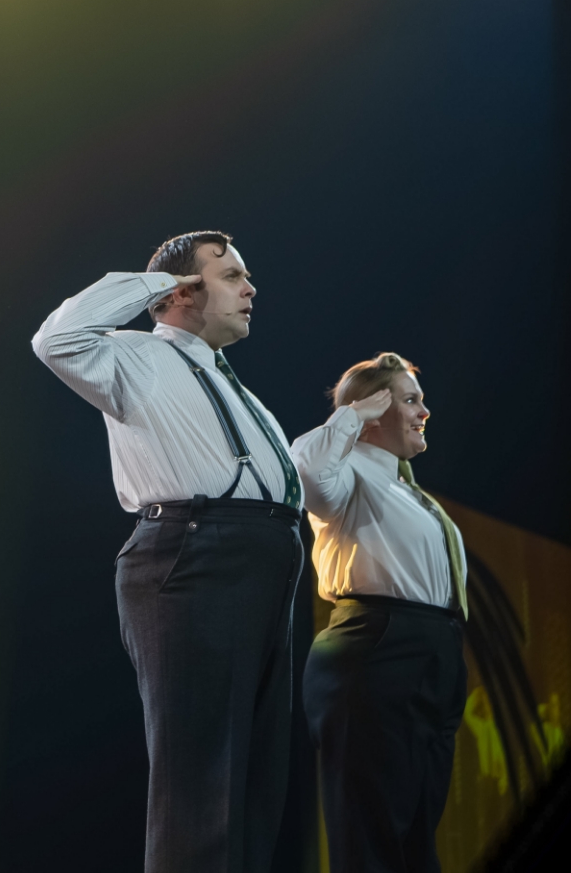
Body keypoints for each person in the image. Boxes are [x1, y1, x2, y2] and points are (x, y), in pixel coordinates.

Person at [32, 231, 304, 873]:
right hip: (194, 554)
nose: (250, 288)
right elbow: (54, 339)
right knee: (202, 775)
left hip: (262, 563)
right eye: (231, 276)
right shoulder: (132, 356)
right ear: (183, 291)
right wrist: (157, 282)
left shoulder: (234, 384)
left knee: (256, 780)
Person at [292, 353, 467, 873]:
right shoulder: (347, 474)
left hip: (432, 653)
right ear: (373, 411)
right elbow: (305, 470)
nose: (425, 412)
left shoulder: (407, 489)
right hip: (377, 647)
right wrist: (351, 415)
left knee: (416, 842)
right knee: (368, 841)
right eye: (410, 400)